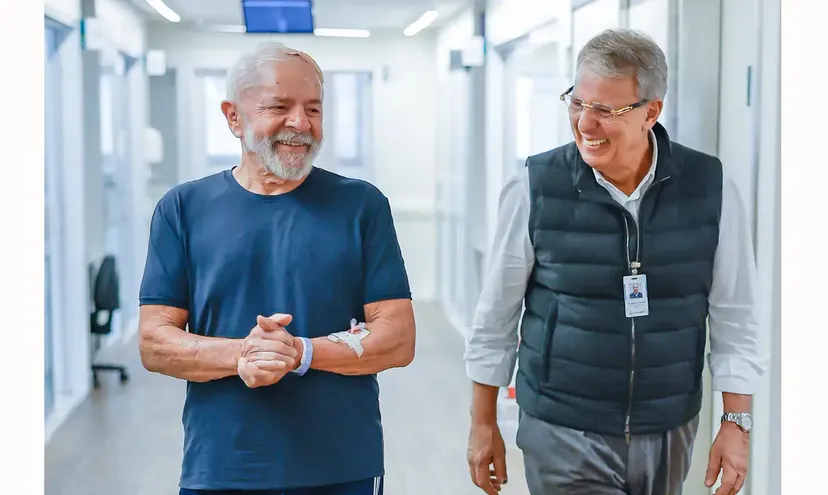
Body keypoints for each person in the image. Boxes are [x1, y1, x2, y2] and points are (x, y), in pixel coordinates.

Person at [464, 29, 763, 495]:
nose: (585, 123)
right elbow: (495, 318)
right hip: (563, 427)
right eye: (577, 103)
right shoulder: (534, 187)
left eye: (605, 110)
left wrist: (736, 423)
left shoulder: (711, 188)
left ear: (651, 112)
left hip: (669, 430)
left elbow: (736, 317)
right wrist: (483, 422)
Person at [138, 42, 415, 495]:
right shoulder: (183, 209)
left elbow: (398, 338)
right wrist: (243, 354)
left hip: (342, 464)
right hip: (223, 465)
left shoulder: (362, 205)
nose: (301, 123)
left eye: (313, 109)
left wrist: (301, 353)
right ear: (233, 117)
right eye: (279, 107)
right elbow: (154, 342)